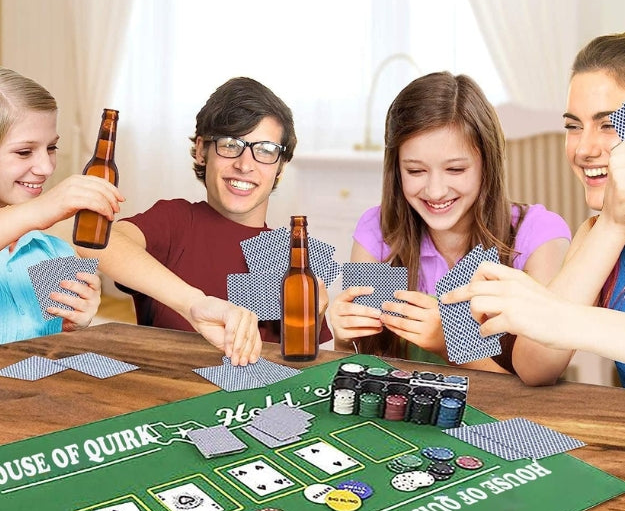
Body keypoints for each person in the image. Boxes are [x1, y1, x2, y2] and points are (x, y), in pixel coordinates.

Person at [329, 71, 571, 384]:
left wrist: (451, 344)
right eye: (415, 170)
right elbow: (364, 363)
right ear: (395, 169)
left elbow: (538, 386)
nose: (436, 190)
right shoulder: (381, 233)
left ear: (488, 164)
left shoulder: (537, 235)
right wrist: (344, 338)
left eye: (455, 169)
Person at [78, 76, 329, 366]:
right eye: (230, 145)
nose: (245, 165)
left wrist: (315, 317)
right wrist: (194, 303)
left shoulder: (291, 255)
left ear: (280, 167)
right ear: (201, 150)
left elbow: (310, 366)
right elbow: (98, 243)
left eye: (265, 151)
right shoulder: (177, 222)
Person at [442, 32, 625, 386]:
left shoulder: (539, 227)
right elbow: (535, 366)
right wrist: (612, 225)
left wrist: (560, 318)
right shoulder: (596, 235)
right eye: (573, 126)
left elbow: (555, 324)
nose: (584, 148)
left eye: (608, 125)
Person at [0, 67, 124, 343]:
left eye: (51, 148)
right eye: (24, 152)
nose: (45, 167)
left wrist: (78, 323)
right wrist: (43, 207)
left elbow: (54, 343)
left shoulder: (52, 252)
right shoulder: (38, 217)